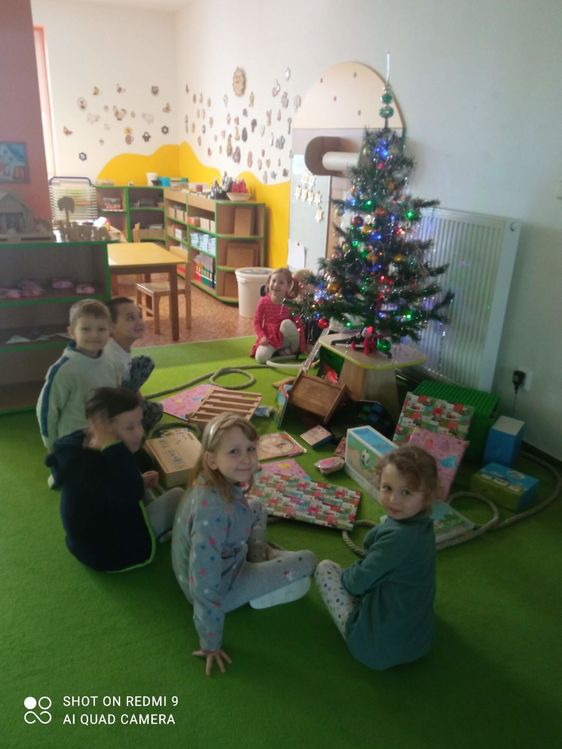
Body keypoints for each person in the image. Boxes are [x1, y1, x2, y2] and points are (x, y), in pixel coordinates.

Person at [171, 413, 317, 676]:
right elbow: (204, 583)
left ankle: (259, 556)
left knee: (257, 506)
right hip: (223, 585)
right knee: (307, 560)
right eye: (234, 451)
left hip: (229, 556)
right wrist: (210, 644)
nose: (247, 459)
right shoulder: (213, 510)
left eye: (250, 448)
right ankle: (261, 566)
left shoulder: (210, 482)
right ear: (211, 460)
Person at [314, 445, 438, 670]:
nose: (393, 500)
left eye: (406, 492)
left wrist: (352, 574)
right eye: (387, 488)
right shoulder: (425, 528)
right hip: (418, 642)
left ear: (427, 496)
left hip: (373, 647)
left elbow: (355, 583)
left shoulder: (397, 539)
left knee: (325, 568)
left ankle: (356, 629)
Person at [46, 387, 183, 572]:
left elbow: (115, 487)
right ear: (104, 428)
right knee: (179, 496)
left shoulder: (80, 444)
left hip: (88, 544)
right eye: (129, 427)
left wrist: (140, 481)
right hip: (112, 553)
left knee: (141, 482)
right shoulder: (101, 460)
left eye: (139, 423)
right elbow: (132, 492)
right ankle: (165, 534)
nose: (139, 432)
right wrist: (116, 449)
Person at [36, 299, 121, 452]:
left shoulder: (110, 360)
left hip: (104, 436)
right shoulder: (64, 370)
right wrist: (51, 445)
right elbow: (47, 409)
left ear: (110, 330)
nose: (94, 335)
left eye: (101, 329)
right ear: (71, 332)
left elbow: (115, 394)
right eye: (86, 329)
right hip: (73, 441)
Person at [105, 296, 162, 432]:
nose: (139, 322)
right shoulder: (113, 358)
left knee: (145, 362)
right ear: (111, 326)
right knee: (156, 411)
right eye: (130, 318)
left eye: (139, 316)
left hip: (118, 393)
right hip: (109, 411)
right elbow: (113, 398)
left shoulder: (117, 346)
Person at [250, 267, 305, 364]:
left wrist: (302, 347)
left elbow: (299, 325)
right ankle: (280, 351)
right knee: (260, 358)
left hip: (287, 338)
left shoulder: (291, 303)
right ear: (269, 282)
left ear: (288, 286)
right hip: (270, 338)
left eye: (281, 283)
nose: (276, 285)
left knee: (286, 324)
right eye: (273, 281)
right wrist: (262, 336)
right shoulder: (263, 301)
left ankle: (293, 350)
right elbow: (257, 322)